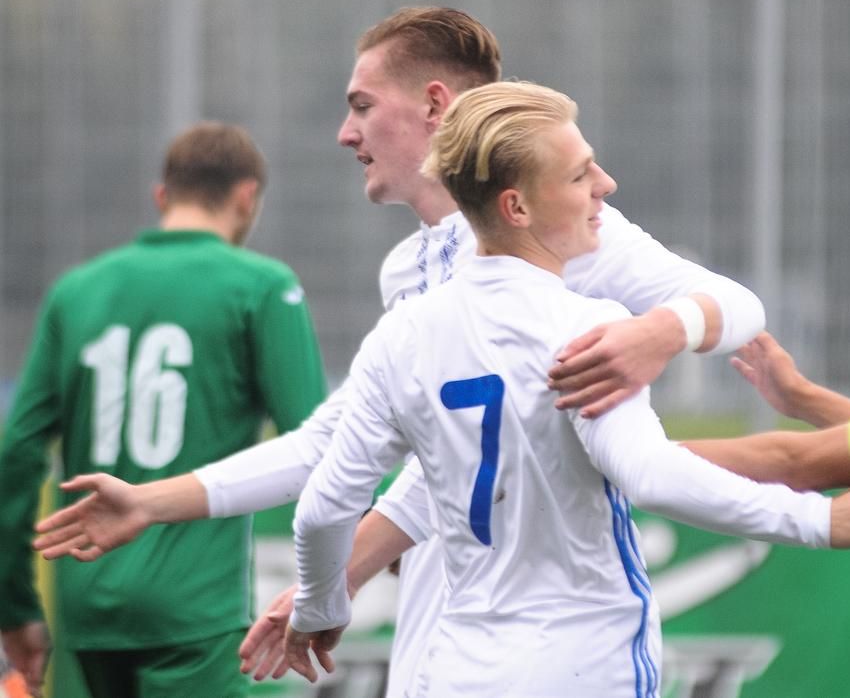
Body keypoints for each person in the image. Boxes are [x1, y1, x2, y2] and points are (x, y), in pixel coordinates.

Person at [34, 7, 772, 695]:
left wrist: (663, 331)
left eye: (361, 106)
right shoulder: (409, 273)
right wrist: (155, 506)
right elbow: (331, 443)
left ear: (434, 105)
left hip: (566, 646)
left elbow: (740, 306)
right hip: (446, 633)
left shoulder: (574, 232)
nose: (344, 134)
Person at [280, 81, 850, 697]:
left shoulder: (401, 336)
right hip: (587, 664)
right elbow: (652, 476)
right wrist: (818, 520)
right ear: (517, 208)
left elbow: (323, 508)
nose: (605, 185)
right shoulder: (588, 328)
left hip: (459, 669)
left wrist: (318, 607)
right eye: (580, 175)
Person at [0, 122, 327, 698]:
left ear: (162, 197)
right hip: (196, 614)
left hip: (85, 608)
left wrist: (14, 605)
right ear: (247, 196)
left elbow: (17, 454)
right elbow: (323, 444)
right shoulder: (261, 286)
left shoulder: (75, 292)